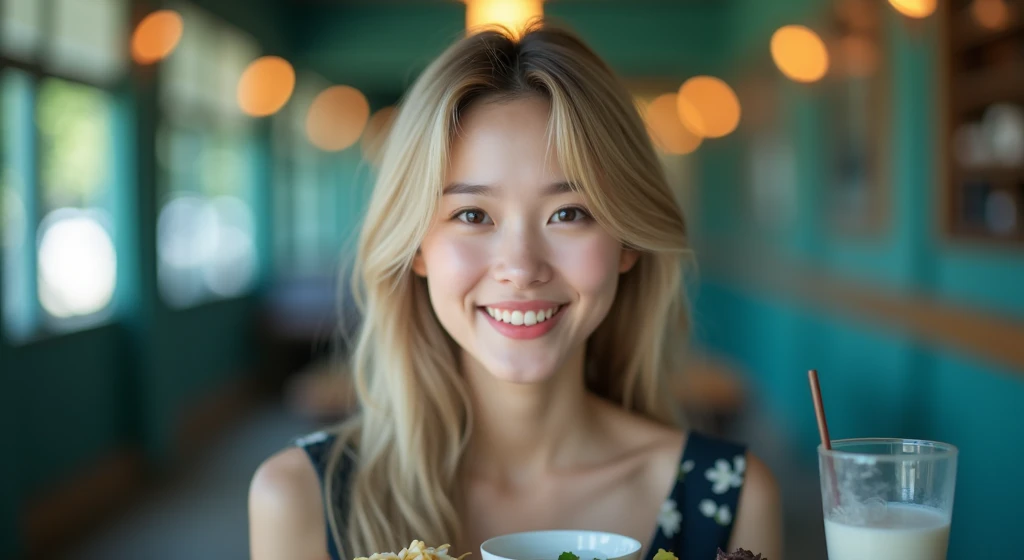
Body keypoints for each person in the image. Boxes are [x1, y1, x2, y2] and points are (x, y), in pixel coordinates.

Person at [249, 21, 783, 560]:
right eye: (473, 214)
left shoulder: (732, 498)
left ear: (627, 241)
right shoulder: (299, 501)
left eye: (569, 213)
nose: (521, 268)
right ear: (415, 248)